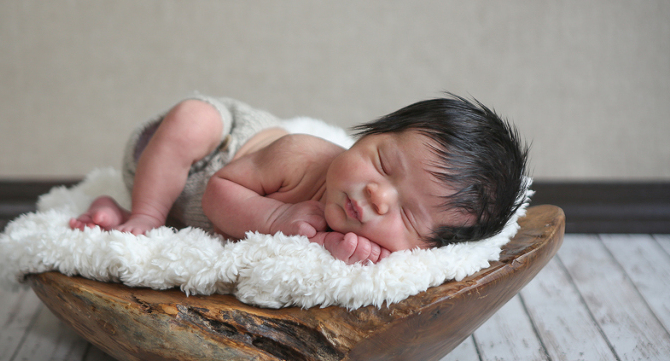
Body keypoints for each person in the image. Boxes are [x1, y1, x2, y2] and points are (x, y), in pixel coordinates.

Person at [70, 93, 528, 264]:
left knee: (177, 219)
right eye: (384, 165)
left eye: (407, 214)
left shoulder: (380, 250)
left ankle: (114, 210)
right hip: (201, 156)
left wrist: (336, 249)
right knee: (192, 118)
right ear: (365, 136)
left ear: (429, 248)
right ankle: (147, 213)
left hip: (189, 208)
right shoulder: (301, 155)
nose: (377, 195)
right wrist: (276, 215)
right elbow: (216, 194)